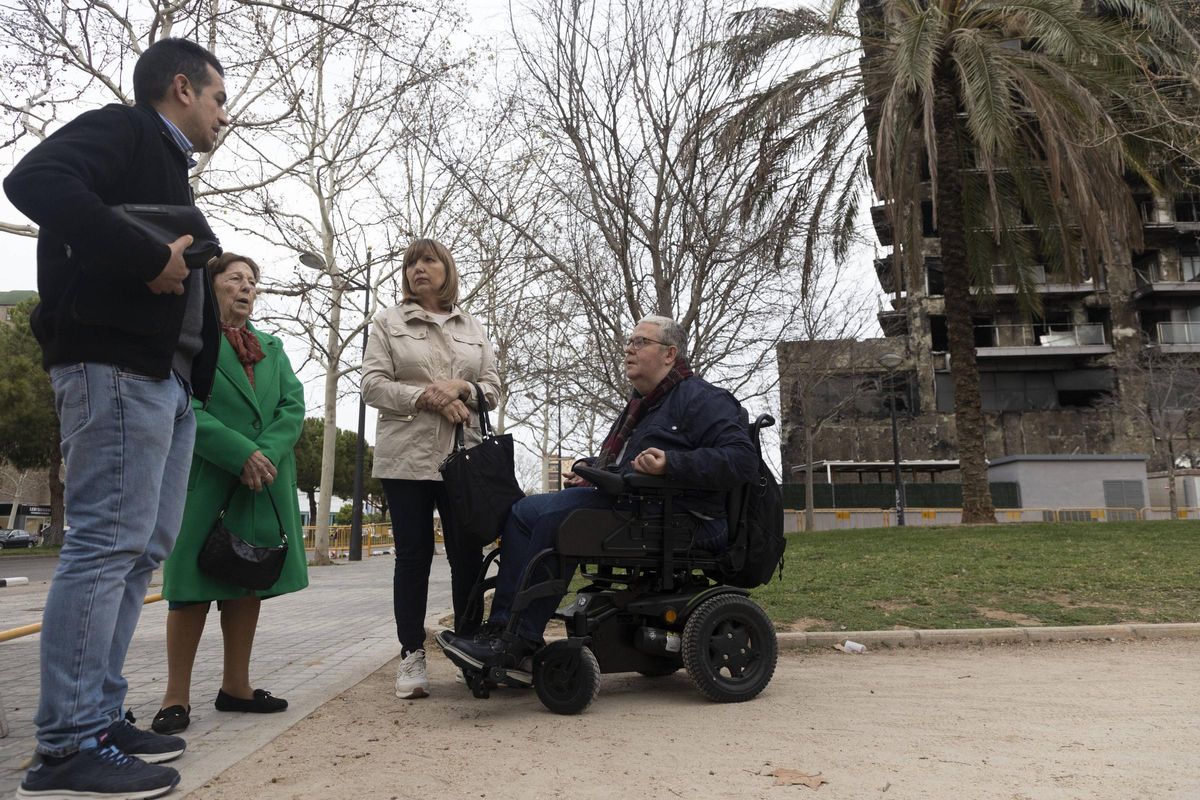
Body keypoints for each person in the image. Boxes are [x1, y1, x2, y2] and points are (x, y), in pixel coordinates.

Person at [4, 37, 229, 800]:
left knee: (137, 552)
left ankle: (96, 716)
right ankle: (66, 743)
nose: (222, 117)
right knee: (104, 545)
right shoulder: (126, 129)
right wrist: (143, 256)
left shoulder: (163, 163)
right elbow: (32, 179)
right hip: (114, 369)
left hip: (163, 384)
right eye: (218, 98)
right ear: (180, 88)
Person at [437, 316, 758, 679]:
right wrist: (591, 467)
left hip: (681, 517)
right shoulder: (644, 403)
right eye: (630, 341)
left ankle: (518, 641)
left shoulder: (703, 399)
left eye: (641, 342)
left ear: (669, 354)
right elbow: (624, 463)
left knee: (555, 521)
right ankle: (500, 631)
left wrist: (671, 463)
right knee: (522, 511)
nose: (629, 349)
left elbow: (741, 460)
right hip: (634, 504)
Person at [152, 253, 308, 735]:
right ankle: (175, 697)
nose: (246, 287)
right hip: (207, 477)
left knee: (247, 577)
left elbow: (292, 405)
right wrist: (239, 452)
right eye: (235, 278)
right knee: (191, 586)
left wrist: (265, 453)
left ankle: (235, 687)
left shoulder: (272, 346)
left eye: (252, 281)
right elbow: (183, 402)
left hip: (263, 481)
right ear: (210, 284)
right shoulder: (192, 339)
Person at [361, 238, 501, 700]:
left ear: (446, 269)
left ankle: (468, 651)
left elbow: (493, 389)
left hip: (464, 459)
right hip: (406, 458)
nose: (418, 268)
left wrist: (461, 386)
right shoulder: (387, 322)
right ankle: (410, 656)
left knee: (467, 557)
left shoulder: (473, 326)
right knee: (413, 557)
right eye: (410, 263)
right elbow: (372, 386)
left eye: (428, 260)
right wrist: (426, 396)